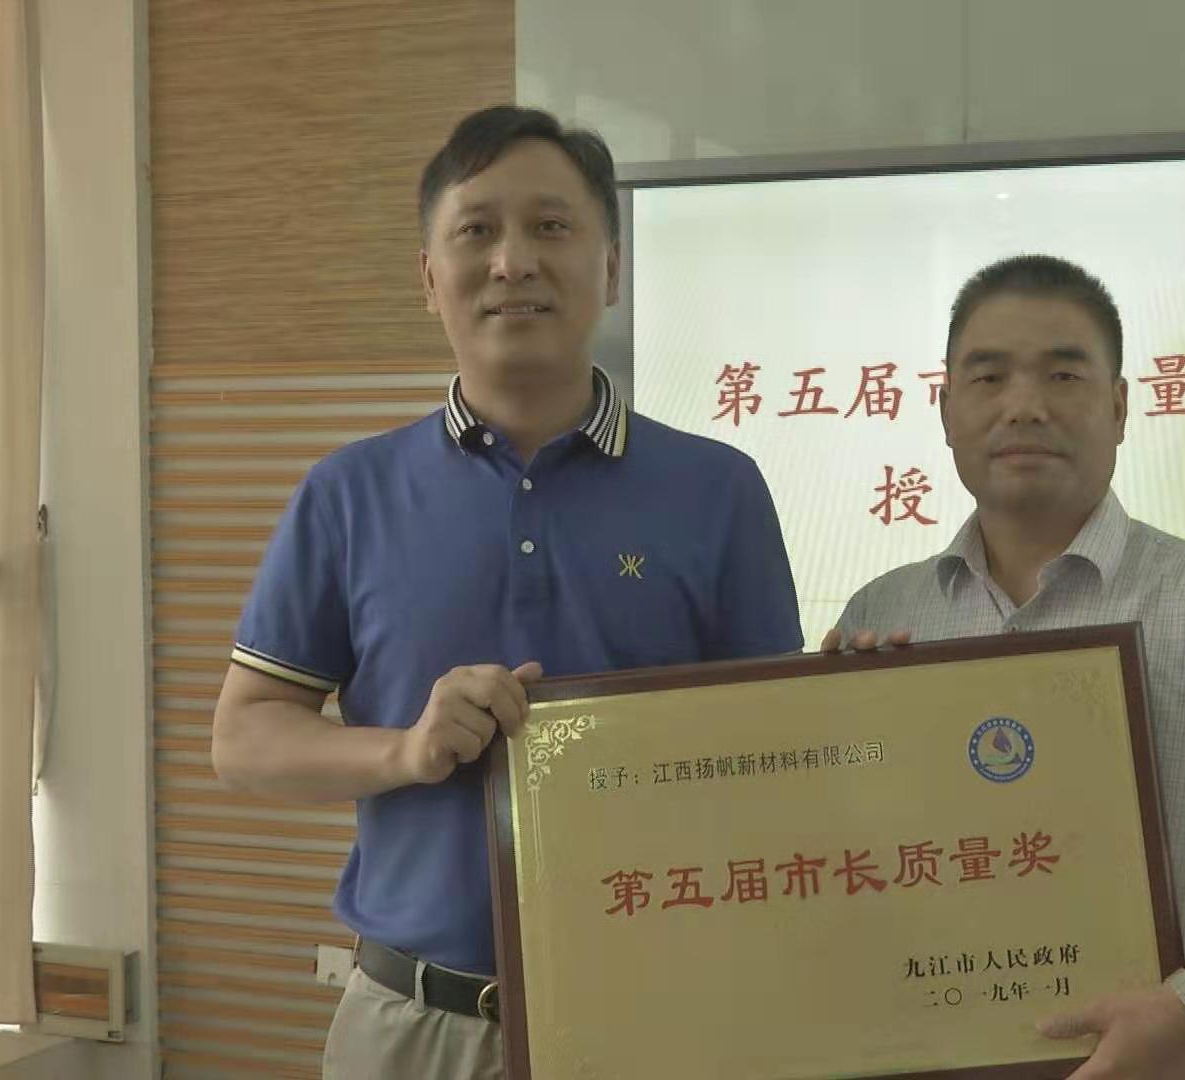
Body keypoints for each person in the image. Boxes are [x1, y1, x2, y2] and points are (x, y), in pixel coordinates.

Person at [211, 105, 802, 1080]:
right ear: (428, 277)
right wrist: (406, 750)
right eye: (477, 230)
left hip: (655, 1015)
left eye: (551, 227)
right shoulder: (349, 493)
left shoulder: (719, 490)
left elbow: (777, 755)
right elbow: (244, 739)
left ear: (611, 270)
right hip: (412, 1024)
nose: (513, 261)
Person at [822, 254, 1185, 1080]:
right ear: (945, 409)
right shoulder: (882, 613)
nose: (1024, 406)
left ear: (1118, 407)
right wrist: (826, 747)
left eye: (1063, 375)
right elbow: (844, 855)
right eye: (989, 377)